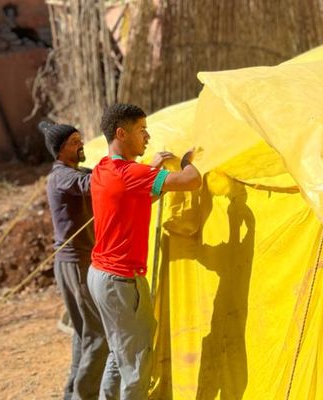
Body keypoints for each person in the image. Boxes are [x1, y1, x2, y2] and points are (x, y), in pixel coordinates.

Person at [87, 103, 202, 399]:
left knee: (119, 353)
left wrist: (149, 172)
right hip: (121, 282)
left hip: (100, 276)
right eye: (141, 131)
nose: (147, 137)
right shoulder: (130, 174)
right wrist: (187, 161)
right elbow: (192, 181)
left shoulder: (102, 169)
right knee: (136, 365)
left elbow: (131, 201)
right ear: (121, 134)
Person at [39, 121, 120, 400]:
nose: (81, 144)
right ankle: (83, 396)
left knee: (83, 331)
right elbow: (92, 184)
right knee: (98, 334)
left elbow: (93, 175)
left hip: (75, 261)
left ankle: (71, 392)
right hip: (75, 263)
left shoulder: (70, 172)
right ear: (62, 150)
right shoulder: (62, 176)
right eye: (75, 141)